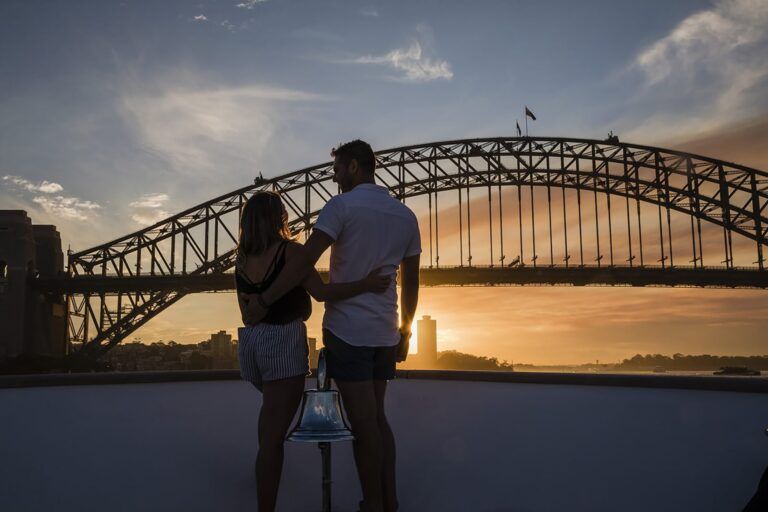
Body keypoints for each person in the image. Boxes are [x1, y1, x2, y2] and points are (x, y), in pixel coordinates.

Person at [241, 140, 421, 512]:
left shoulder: (341, 206)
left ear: (354, 167)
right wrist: (406, 331)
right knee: (378, 418)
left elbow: (305, 258)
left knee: (363, 423)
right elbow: (413, 283)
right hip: (385, 332)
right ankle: (389, 501)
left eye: (338, 170)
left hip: (349, 332)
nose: (335, 178)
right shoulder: (405, 216)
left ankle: (373, 504)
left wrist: (263, 300)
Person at [235, 191, 390, 512]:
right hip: (282, 344)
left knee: (268, 434)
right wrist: (366, 284)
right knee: (273, 441)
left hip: (251, 348)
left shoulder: (242, 259)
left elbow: (247, 312)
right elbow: (321, 293)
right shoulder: (291, 252)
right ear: (279, 218)